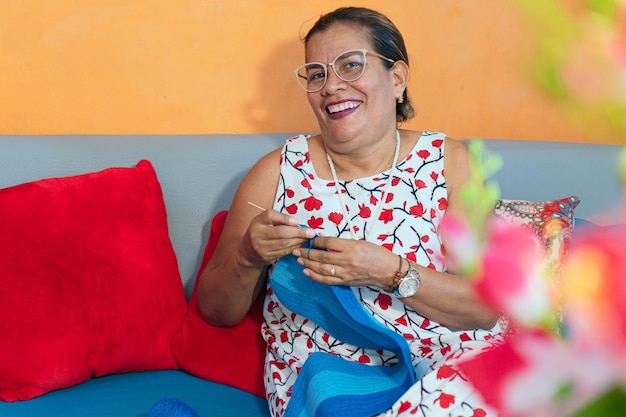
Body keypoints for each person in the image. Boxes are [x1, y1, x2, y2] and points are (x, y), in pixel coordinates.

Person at [197, 6, 504, 417]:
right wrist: (247, 256)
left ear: (397, 78)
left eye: (351, 66)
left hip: (443, 362)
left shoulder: (449, 161)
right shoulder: (275, 172)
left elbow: (483, 308)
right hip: (329, 378)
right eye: (318, 73)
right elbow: (216, 310)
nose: (331, 86)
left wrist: (390, 272)